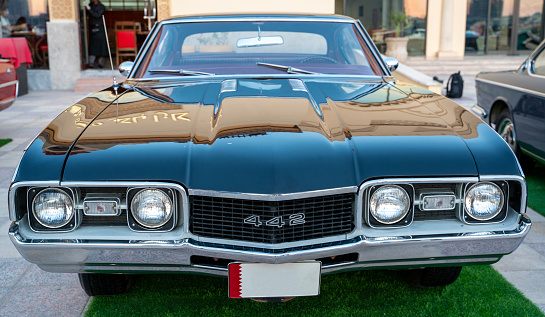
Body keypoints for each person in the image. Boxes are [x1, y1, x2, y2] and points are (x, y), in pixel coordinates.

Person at [85, 0, 108, 68]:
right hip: (92, 28)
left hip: (100, 27)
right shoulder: (90, 5)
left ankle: (101, 64)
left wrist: (89, 9)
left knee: (101, 47)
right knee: (92, 47)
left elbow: (97, 15)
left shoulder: (101, 7)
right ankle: (91, 64)